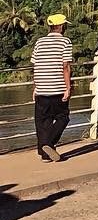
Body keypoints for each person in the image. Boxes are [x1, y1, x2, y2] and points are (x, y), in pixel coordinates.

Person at [32, 12, 73, 162]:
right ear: (61, 26)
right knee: (63, 117)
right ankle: (47, 144)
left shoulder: (39, 42)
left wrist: (35, 87)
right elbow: (66, 66)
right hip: (57, 87)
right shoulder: (65, 42)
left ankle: (45, 154)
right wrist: (68, 88)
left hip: (42, 87)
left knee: (43, 121)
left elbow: (36, 65)